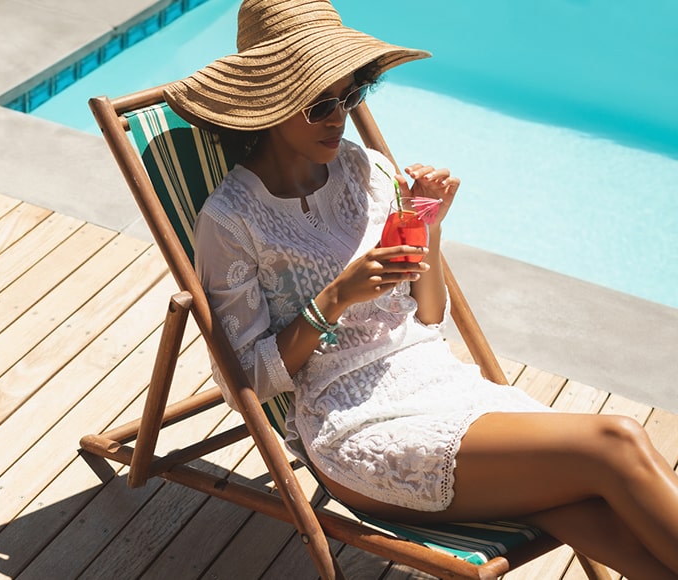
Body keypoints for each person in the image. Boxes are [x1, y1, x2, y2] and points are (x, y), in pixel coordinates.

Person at [162, 0, 678, 576]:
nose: (339, 116)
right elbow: (247, 381)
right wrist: (333, 299)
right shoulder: (231, 221)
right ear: (272, 103)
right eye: (320, 104)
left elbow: (428, 316)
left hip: (440, 382)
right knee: (616, 440)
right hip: (352, 424)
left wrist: (428, 227)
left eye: (351, 95)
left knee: (578, 501)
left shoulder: (368, 171)